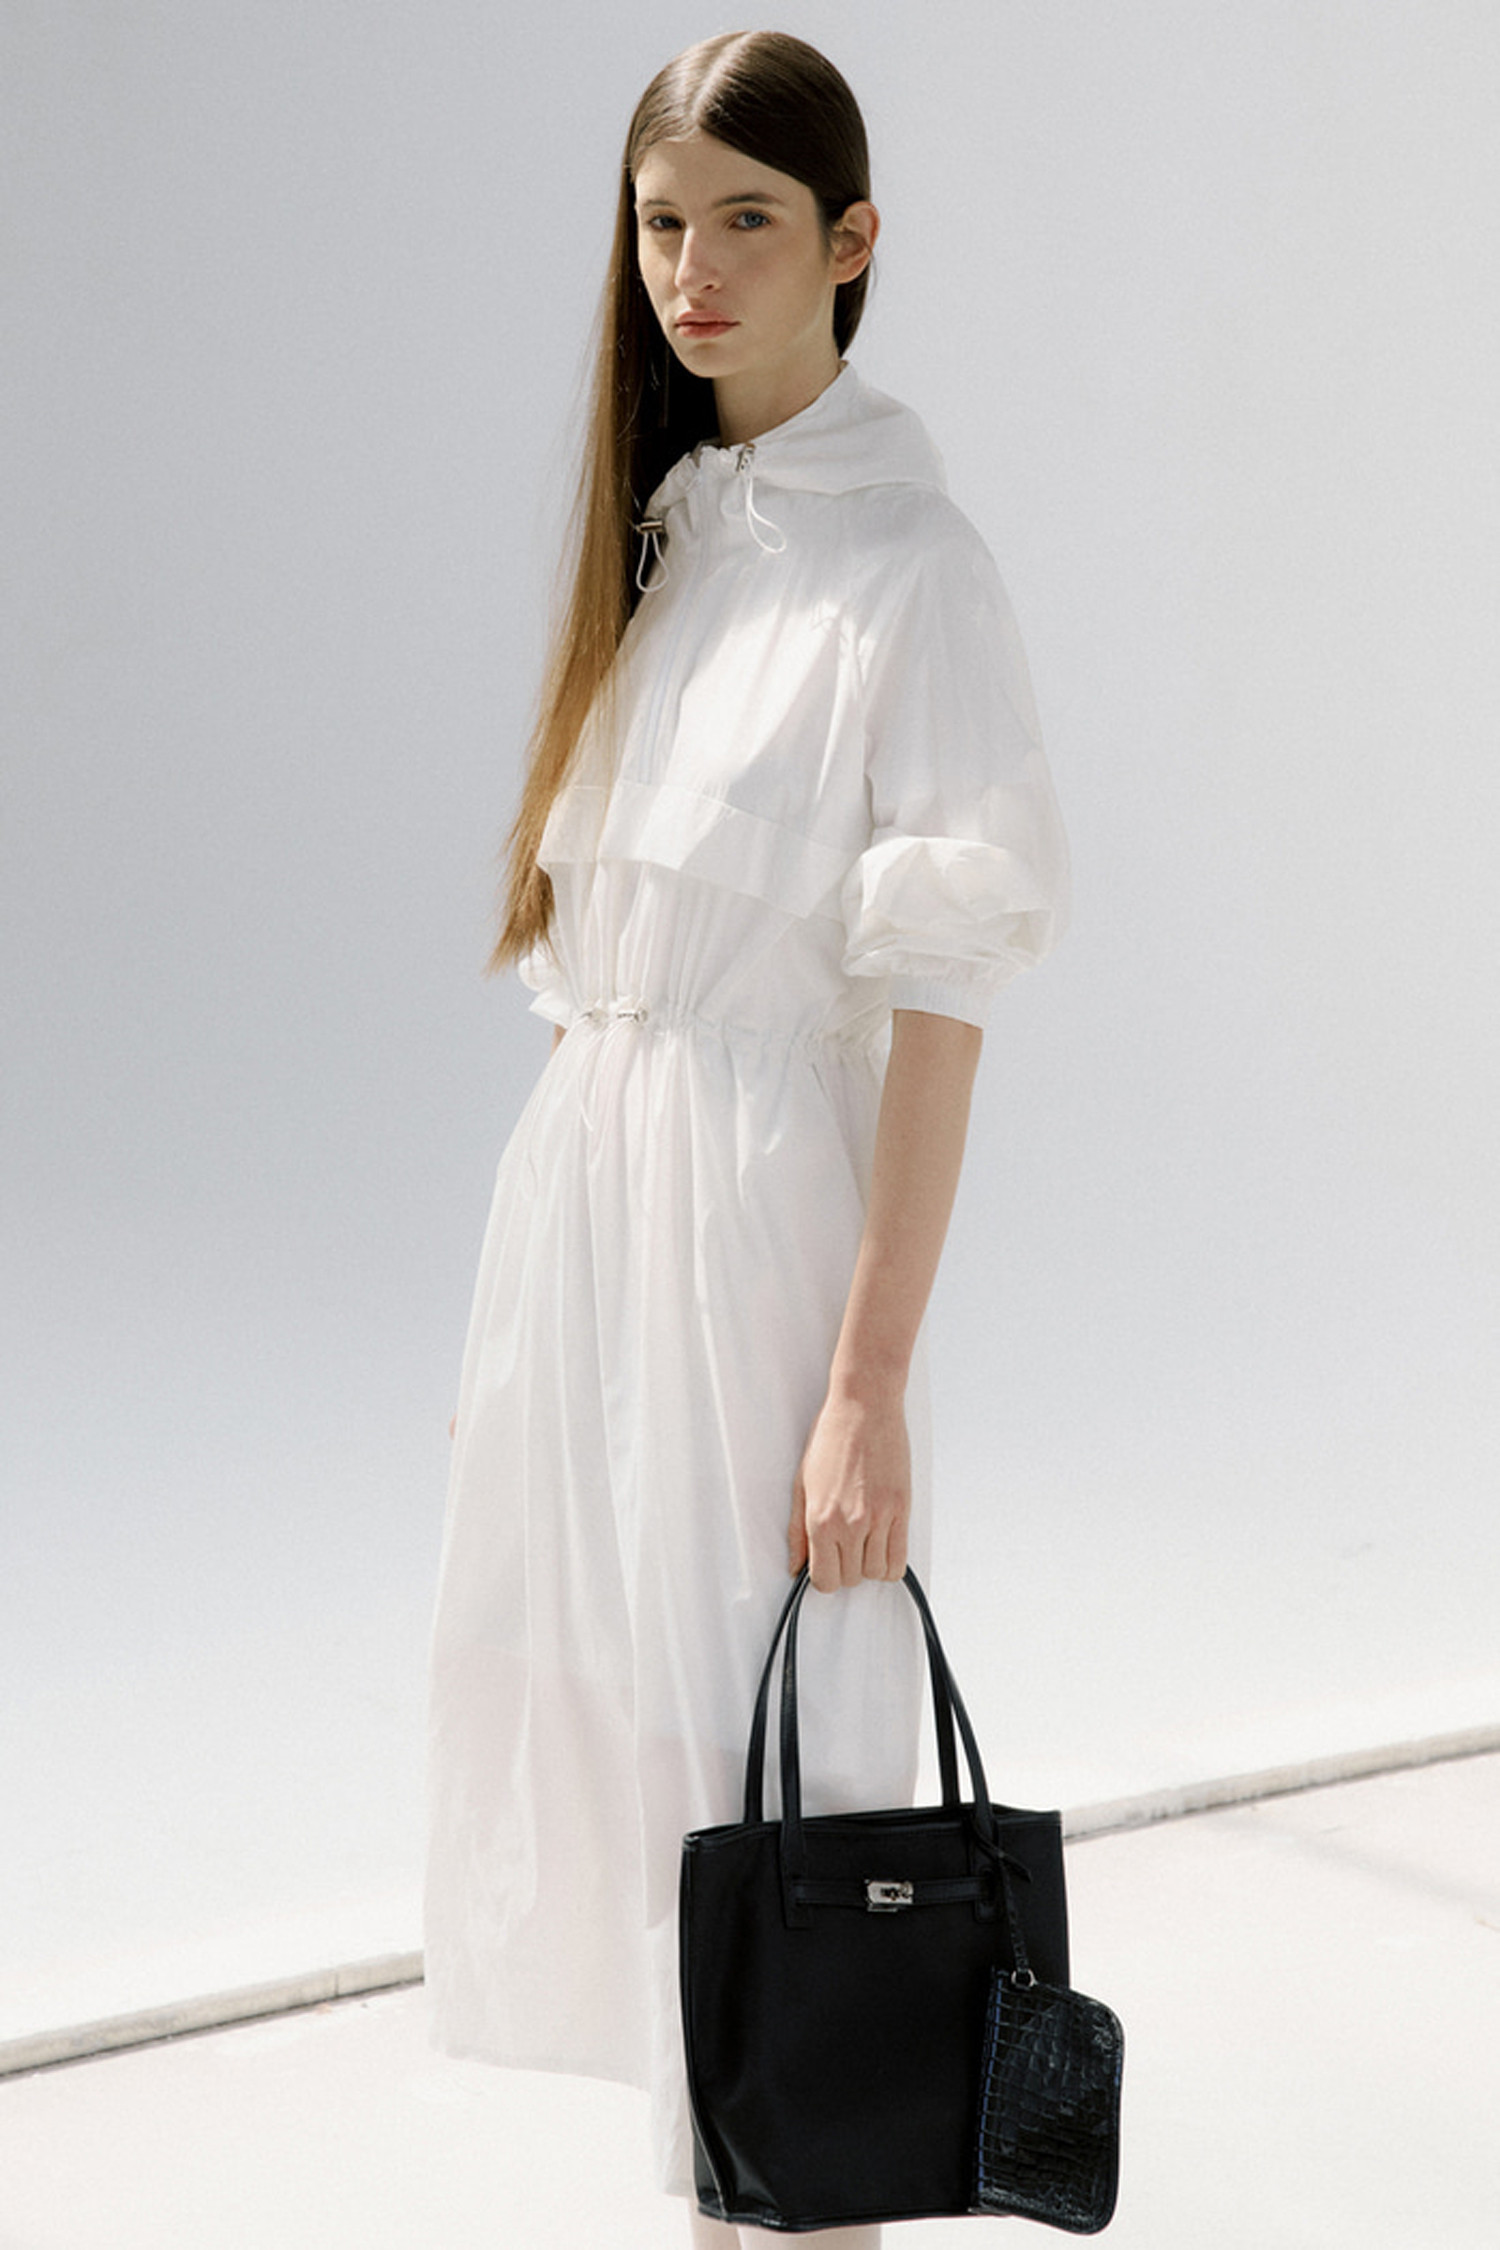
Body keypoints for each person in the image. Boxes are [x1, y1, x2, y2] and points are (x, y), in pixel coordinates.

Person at [425, 30, 1069, 2246]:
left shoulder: (914, 569)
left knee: (791, 1812)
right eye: (660, 223)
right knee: (658, 1818)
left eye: (748, 222)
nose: (692, 271)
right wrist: (530, 1332)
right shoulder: (677, 540)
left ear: (854, 240)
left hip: (759, 1242)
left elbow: (940, 1013)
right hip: (597, 1230)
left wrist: (866, 1383)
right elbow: (599, 987)